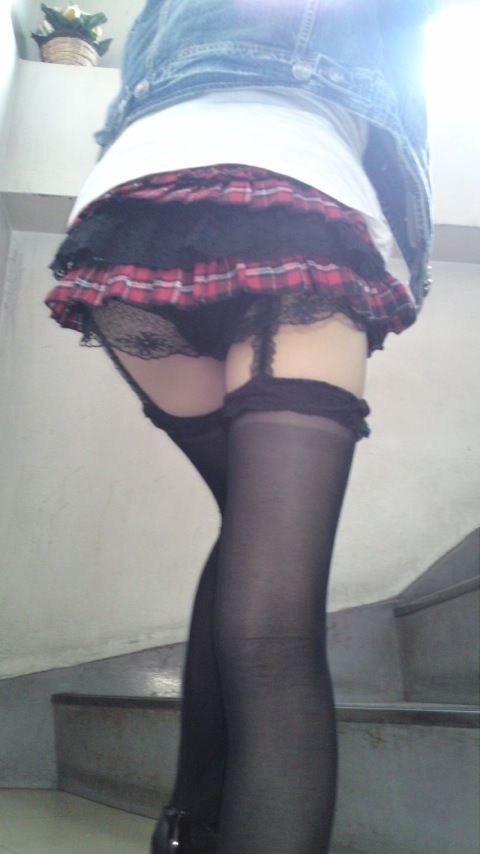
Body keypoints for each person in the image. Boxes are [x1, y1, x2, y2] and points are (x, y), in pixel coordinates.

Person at [45, 1, 438, 851]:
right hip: (296, 198)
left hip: (135, 213)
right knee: (274, 629)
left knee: (248, 531)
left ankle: (189, 825)